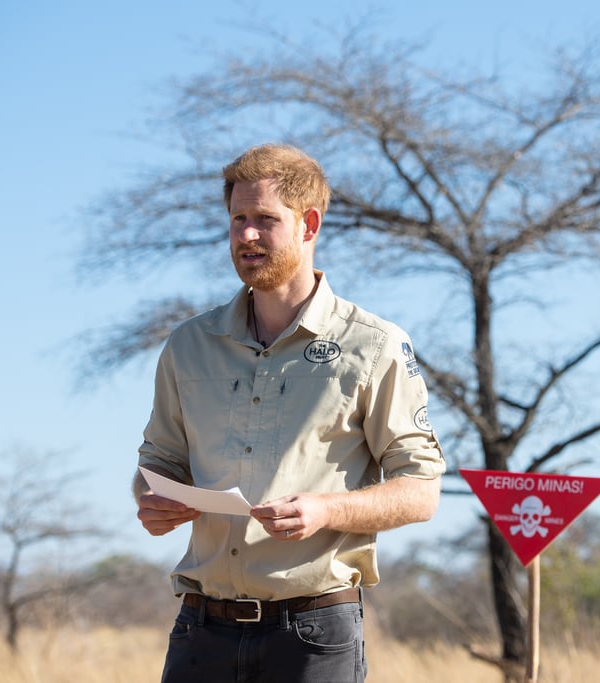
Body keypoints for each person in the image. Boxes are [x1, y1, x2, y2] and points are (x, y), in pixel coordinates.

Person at [132, 143, 446, 683]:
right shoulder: (187, 345)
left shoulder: (375, 346)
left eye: (264, 220)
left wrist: (326, 511)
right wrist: (151, 501)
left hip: (313, 634)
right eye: (237, 219)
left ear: (309, 224)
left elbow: (421, 490)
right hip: (198, 631)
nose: (246, 235)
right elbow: (156, 462)